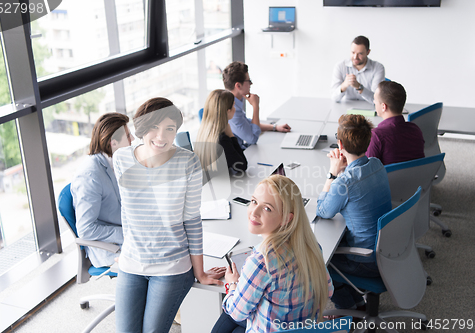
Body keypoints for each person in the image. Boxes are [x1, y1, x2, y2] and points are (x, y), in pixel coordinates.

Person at [113, 97, 225, 333]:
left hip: (171, 266)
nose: (161, 136)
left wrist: (200, 272)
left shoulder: (188, 162)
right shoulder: (121, 159)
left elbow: (192, 221)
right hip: (132, 262)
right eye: (154, 127)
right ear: (143, 127)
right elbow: (128, 213)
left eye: (169, 129)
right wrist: (124, 251)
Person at [212, 175, 334, 333]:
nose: (253, 212)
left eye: (267, 208)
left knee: (228, 315)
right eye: (254, 201)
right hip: (303, 327)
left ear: (286, 219)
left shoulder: (261, 262)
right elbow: (329, 291)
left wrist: (232, 284)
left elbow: (236, 313)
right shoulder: (311, 246)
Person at [316, 114, 391, 311]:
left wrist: (333, 173)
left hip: (365, 260)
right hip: (387, 251)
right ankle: (357, 302)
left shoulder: (344, 182)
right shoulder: (376, 164)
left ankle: (349, 309)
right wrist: (343, 171)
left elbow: (323, 211)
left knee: (318, 261)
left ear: (339, 144)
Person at [71, 112, 133, 268]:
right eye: (128, 136)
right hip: (110, 247)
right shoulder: (90, 176)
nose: (132, 140)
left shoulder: (115, 161)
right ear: (114, 143)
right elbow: (86, 230)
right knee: (160, 262)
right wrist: (127, 234)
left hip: (128, 229)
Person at [223, 61, 291, 148]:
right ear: (238, 86)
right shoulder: (232, 110)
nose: (251, 84)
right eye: (249, 81)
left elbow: (249, 125)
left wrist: (275, 127)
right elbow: (253, 139)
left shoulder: (233, 103)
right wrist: (255, 106)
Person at [366, 80, 425, 165]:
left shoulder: (377, 136)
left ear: (383, 106)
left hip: (387, 178)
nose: (374, 102)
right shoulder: (416, 130)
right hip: (416, 178)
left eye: (375, 99)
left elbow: (368, 171)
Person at [195, 89, 248, 175]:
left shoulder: (205, 132)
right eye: (233, 106)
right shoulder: (222, 140)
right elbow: (242, 166)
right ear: (228, 111)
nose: (234, 109)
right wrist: (231, 136)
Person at [331, 36, 385, 104]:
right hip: (346, 108)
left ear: (368, 52)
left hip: (369, 108)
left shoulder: (378, 68)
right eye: (353, 52)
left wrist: (359, 87)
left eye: (360, 53)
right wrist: (344, 85)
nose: (355, 57)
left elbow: (376, 100)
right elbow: (334, 98)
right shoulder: (340, 66)